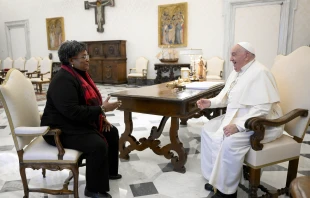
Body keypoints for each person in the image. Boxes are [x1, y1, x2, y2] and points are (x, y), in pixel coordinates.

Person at [196, 42, 283, 198]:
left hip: (262, 123)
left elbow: (263, 110)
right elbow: (227, 97)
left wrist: (239, 126)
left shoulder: (261, 72)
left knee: (230, 141)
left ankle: (227, 191)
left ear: (247, 55)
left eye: (234, 54)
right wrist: (210, 102)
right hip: (239, 116)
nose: (230, 58)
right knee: (207, 130)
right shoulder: (237, 72)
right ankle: (216, 179)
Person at [41, 40, 121, 198]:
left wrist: (100, 116)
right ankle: (93, 189)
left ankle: (109, 173)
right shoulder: (63, 80)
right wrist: (102, 109)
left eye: (87, 55)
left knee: (111, 131)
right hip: (59, 129)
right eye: (83, 56)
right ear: (71, 60)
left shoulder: (79, 74)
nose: (88, 59)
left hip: (74, 123)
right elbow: (72, 111)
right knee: (97, 145)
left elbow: (87, 103)